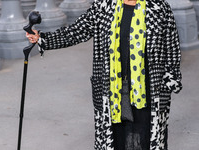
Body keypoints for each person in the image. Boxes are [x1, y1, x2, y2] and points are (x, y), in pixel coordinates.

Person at [26, 0, 183, 149]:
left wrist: (169, 82)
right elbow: (75, 32)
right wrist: (43, 39)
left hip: (149, 91)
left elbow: (172, 48)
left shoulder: (159, 8)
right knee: (116, 137)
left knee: (146, 137)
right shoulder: (103, 7)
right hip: (111, 91)